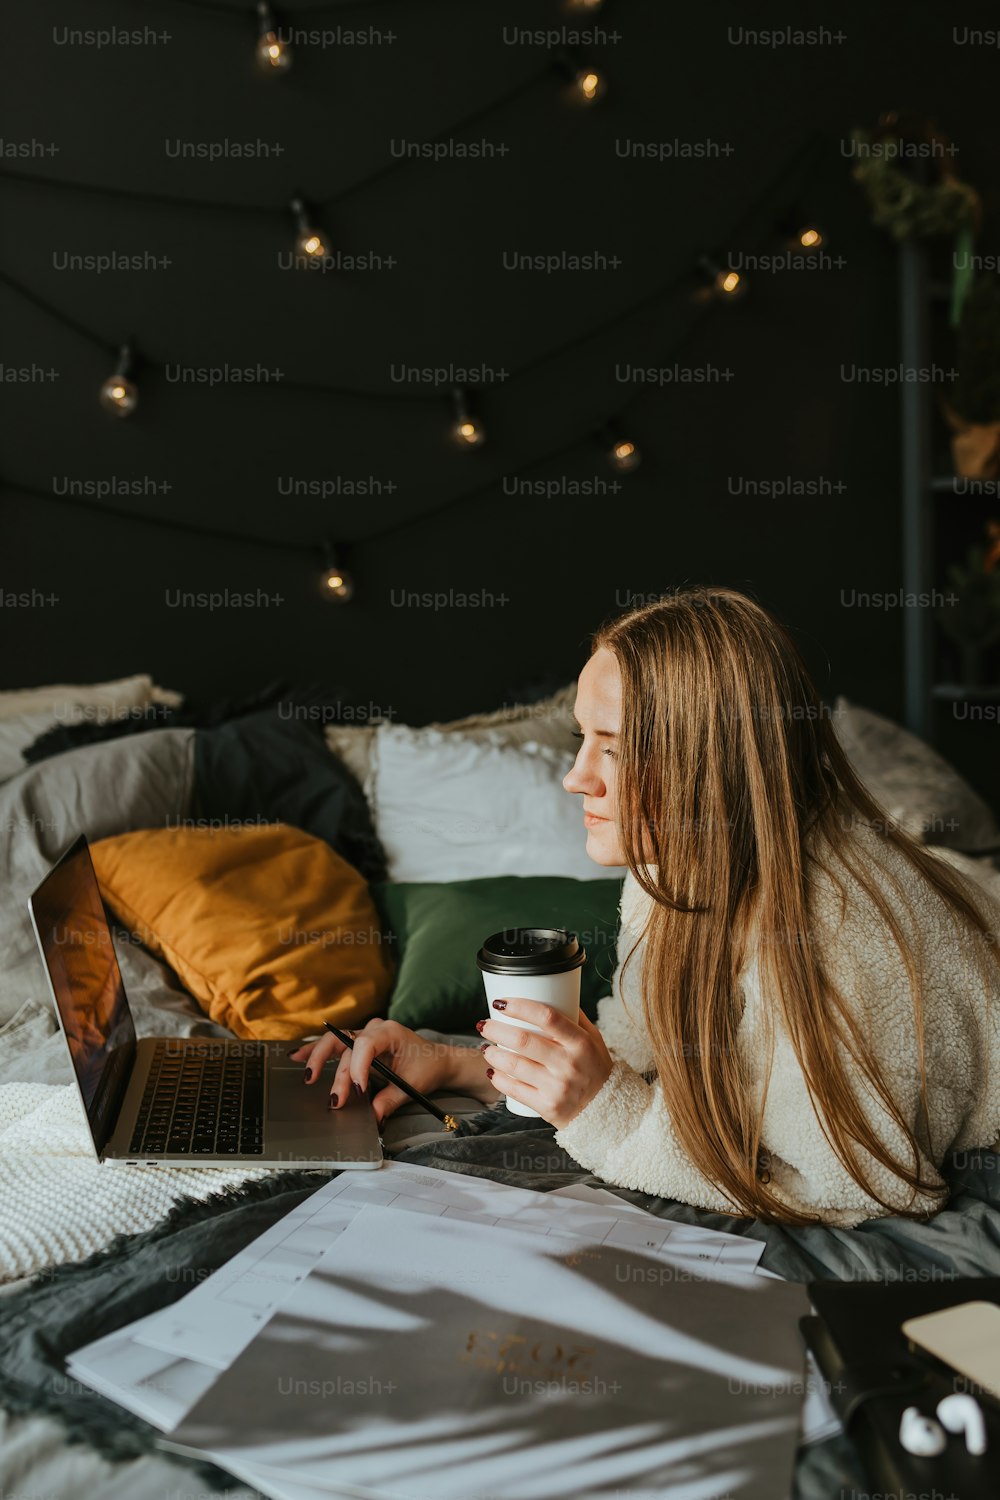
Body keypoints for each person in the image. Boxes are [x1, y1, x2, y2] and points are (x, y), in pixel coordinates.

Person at [292, 587, 1000, 1227]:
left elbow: (847, 1189)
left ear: (714, 760)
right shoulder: (672, 873)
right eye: (581, 740)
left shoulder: (836, 938)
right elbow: (640, 1060)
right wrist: (451, 1062)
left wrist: (603, 1115)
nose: (576, 779)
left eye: (617, 748)